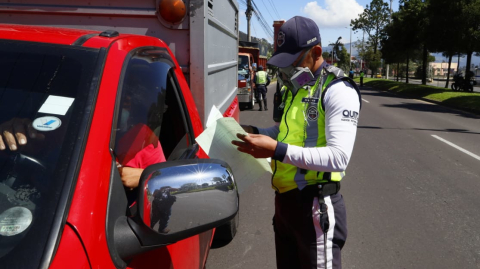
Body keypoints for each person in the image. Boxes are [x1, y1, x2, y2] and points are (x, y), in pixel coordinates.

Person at [231, 16, 361, 269]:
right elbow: (285, 131)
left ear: (317, 52)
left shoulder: (337, 90)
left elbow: (338, 157)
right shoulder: (299, 88)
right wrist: (254, 131)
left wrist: (276, 151)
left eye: (294, 61)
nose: (288, 69)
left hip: (315, 206)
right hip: (286, 205)